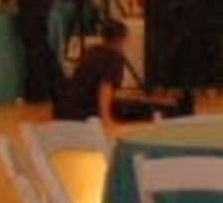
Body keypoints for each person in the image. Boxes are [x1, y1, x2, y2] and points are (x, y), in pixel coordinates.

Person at [54, 17, 191, 124]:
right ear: (121, 38)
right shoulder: (113, 57)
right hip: (86, 112)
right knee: (165, 110)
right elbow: (105, 90)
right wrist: (107, 119)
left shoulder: (92, 50)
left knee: (135, 104)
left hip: (66, 108)